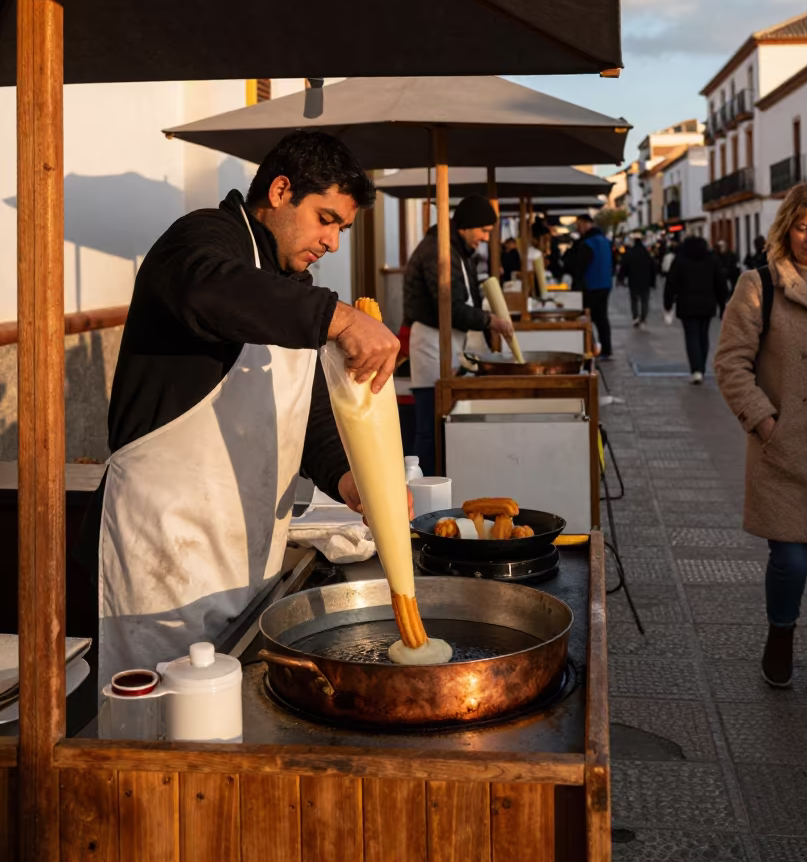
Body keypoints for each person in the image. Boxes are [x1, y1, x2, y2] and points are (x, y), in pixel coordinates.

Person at [83, 130, 401, 690]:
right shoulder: (201, 239)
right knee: (158, 728)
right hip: (166, 549)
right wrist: (343, 319)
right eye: (325, 219)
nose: (332, 242)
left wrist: (349, 478)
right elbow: (208, 291)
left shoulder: (291, 285)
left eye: (342, 230)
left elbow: (308, 411)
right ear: (280, 190)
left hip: (248, 550)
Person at [715, 183, 807, 698]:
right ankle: (780, 635)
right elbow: (731, 363)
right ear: (786, 229)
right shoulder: (759, 284)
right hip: (786, 448)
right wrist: (765, 423)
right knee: (793, 560)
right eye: (804, 227)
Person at [404, 195, 514, 471]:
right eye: (484, 231)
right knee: (429, 429)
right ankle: (418, 492)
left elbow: (463, 300)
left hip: (448, 343)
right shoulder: (438, 251)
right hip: (431, 344)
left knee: (441, 426)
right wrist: (490, 321)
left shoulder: (456, 251)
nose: (486, 238)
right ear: (466, 225)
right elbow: (450, 307)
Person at [664, 235, 727, 383]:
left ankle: (696, 369)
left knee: (691, 336)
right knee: (703, 336)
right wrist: (722, 304)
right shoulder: (712, 259)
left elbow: (670, 283)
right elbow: (720, 283)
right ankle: (702, 368)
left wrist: (668, 303)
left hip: (686, 304)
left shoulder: (680, 260)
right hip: (707, 304)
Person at [573, 214, 614, 359]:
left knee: (588, 318)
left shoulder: (588, 243)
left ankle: (592, 348)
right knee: (602, 318)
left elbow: (580, 267)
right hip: (605, 284)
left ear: (585, 224)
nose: (577, 228)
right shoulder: (604, 241)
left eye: (578, 225)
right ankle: (606, 349)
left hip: (591, 285)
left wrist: (577, 285)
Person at [619, 233, 657, 327]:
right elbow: (653, 268)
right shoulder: (647, 253)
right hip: (646, 281)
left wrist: (621, 278)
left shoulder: (630, 253)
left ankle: (635, 317)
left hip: (633, 280)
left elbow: (624, 266)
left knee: (634, 300)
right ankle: (643, 318)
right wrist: (653, 281)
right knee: (645, 300)